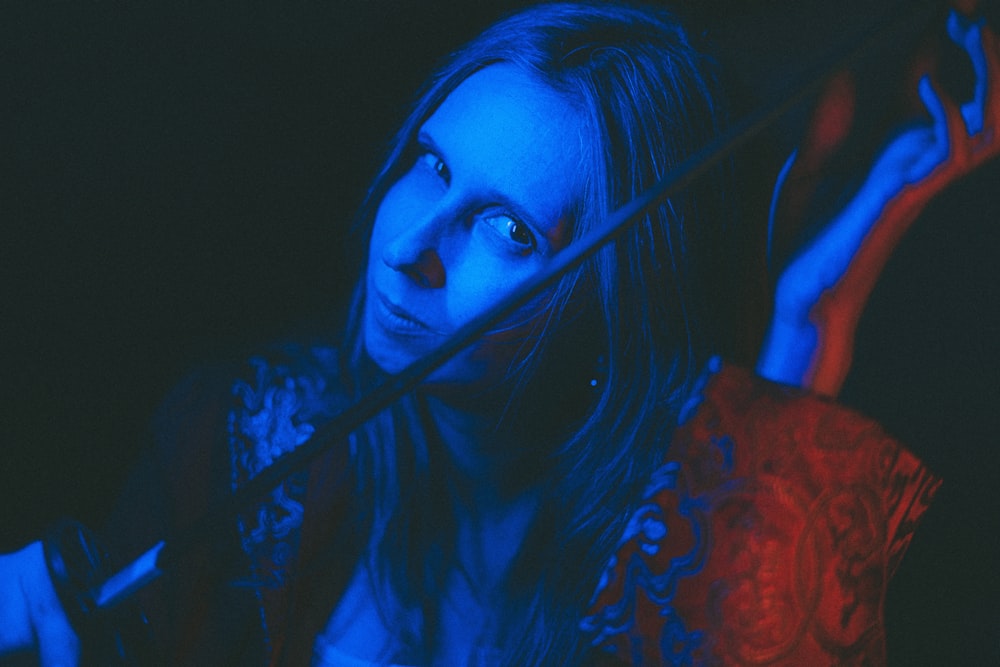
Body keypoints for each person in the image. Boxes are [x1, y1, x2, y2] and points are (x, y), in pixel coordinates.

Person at [0, 2, 994, 665]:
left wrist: (824, 289)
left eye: (506, 228)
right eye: (430, 167)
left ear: (614, 312)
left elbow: (761, 580)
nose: (411, 247)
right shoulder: (231, 438)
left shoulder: (668, 540)